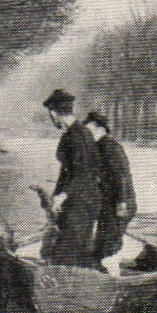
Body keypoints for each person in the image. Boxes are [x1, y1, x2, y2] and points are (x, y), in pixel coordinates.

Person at [41, 88, 103, 267]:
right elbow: (67, 172)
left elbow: (83, 172)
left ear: (53, 113)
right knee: (68, 252)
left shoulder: (78, 135)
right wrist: (56, 196)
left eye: (51, 114)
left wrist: (63, 195)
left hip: (83, 203)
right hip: (77, 200)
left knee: (69, 253)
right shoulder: (74, 133)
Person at [84, 111, 136, 263]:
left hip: (120, 206)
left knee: (107, 250)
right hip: (108, 206)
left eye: (89, 130)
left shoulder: (111, 147)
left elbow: (120, 177)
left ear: (100, 128)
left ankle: (111, 279)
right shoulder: (97, 147)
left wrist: (121, 203)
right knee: (102, 245)